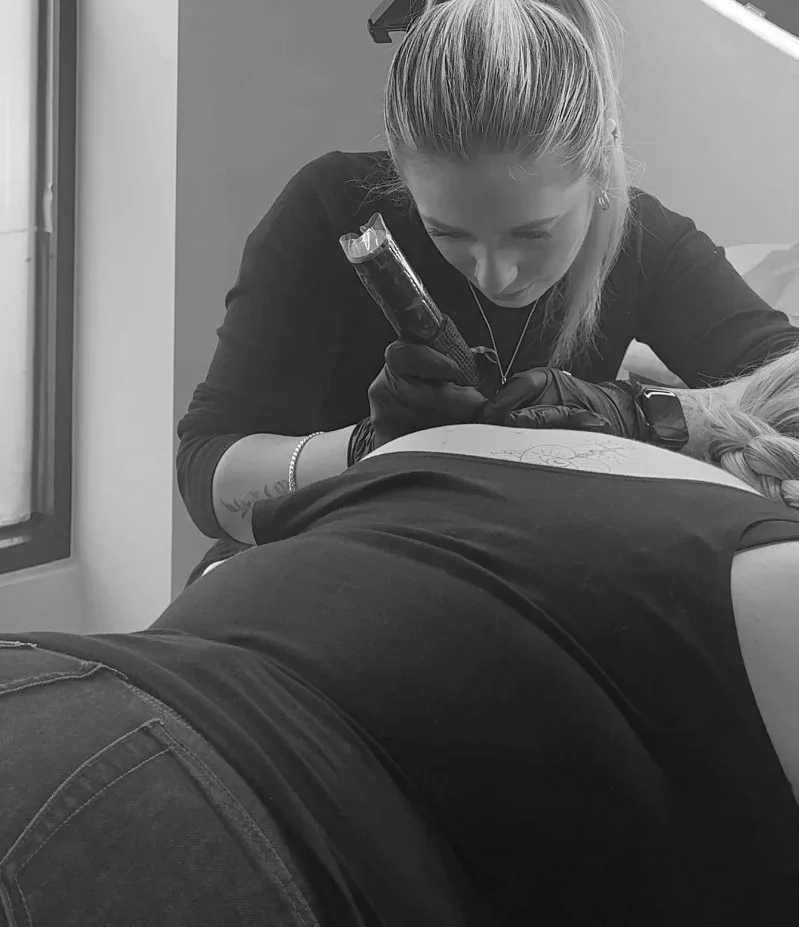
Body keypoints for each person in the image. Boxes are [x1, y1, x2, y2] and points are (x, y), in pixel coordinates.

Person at [2, 349, 799, 924]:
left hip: (58, 685)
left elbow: (218, 585)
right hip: (219, 831)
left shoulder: (458, 442)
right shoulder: (769, 566)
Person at [176, 0, 797, 580]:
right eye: (448, 233)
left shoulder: (640, 237)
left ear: (598, 166)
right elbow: (206, 478)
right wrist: (365, 449)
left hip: (518, 591)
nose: (494, 272)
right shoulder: (330, 209)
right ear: (401, 170)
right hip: (324, 571)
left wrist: (641, 416)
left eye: (532, 234)